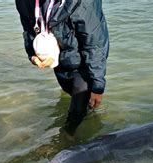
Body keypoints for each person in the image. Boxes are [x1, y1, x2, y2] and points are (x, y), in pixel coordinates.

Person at [15, 0, 109, 136]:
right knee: (74, 97)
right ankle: (89, 116)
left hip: (83, 65)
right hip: (60, 62)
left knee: (73, 121)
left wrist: (98, 86)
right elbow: (28, 29)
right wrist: (32, 55)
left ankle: (67, 137)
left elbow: (94, 43)